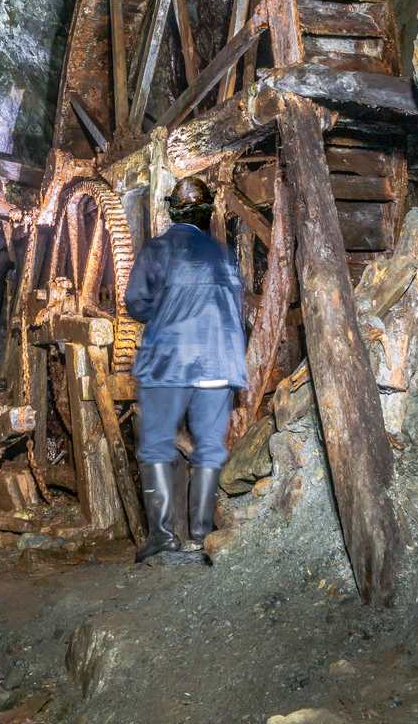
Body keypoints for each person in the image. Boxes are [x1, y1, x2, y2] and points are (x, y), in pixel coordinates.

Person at [124, 175, 247, 562]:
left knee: (157, 443)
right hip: (220, 362)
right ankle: (201, 533)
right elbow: (238, 311)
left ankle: (163, 536)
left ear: (172, 211)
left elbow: (135, 304)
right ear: (207, 212)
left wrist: (164, 314)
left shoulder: (157, 250)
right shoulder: (225, 256)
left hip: (169, 362)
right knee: (210, 449)